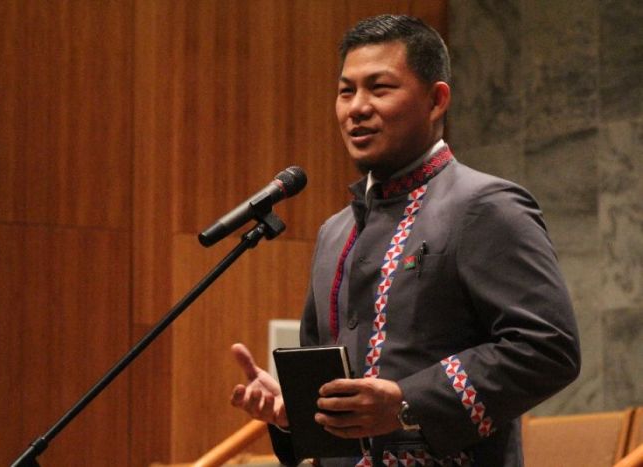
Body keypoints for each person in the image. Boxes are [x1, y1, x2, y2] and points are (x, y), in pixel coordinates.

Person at [230, 14, 580, 467]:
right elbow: (330, 414)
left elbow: (548, 347)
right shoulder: (334, 233)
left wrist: (406, 401)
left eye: (380, 88)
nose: (357, 107)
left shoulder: (486, 205)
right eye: (346, 90)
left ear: (436, 100)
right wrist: (291, 415)